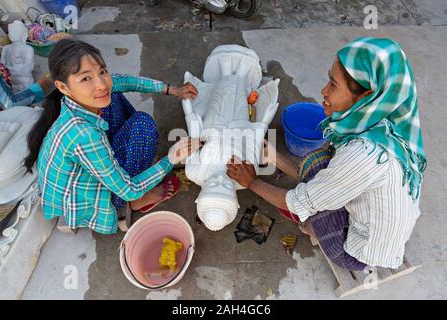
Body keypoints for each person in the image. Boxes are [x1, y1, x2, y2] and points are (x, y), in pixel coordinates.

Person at [227, 37, 427, 270]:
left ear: (366, 95)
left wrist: (251, 182)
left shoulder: (365, 155)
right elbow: (331, 179)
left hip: (359, 253)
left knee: (316, 165)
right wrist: (276, 158)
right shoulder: (389, 121)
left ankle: (318, 228)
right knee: (321, 162)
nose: (324, 91)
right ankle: (321, 210)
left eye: (333, 85)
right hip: (378, 221)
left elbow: (295, 201)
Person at [23, 39, 201, 235]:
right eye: (85, 78)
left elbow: (126, 81)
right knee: (143, 125)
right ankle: (132, 202)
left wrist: (172, 89)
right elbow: (129, 188)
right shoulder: (84, 135)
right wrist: (171, 159)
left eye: (102, 71)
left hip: (91, 166)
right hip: (91, 197)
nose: (101, 83)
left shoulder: (78, 100)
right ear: (63, 87)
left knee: (112, 97)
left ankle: (131, 164)